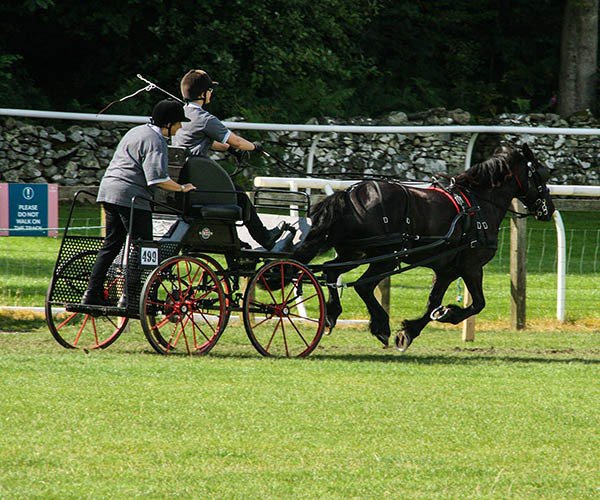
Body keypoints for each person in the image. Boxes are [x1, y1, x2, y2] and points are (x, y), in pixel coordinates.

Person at [82, 99, 197, 305]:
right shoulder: (156, 140)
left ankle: (91, 293)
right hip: (131, 197)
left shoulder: (135, 131)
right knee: (143, 247)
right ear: (168, 123)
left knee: (111, 244)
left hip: (108, 192)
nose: (180, 128)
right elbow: (157, 179)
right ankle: (131, 296)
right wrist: (182, 188)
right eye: (179, 123)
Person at [172, 68, 291, 250]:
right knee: (239, 196)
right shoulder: (205, 118)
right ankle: (265, 237)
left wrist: (229, 149)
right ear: (203, 94)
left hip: (185, 178)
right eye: (210, 90)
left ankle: (233, 239)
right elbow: (234, 139)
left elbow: (206, 142)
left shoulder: (180, 115)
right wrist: (254, 146)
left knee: (232, 190)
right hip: (199, 183)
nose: (211, 93)